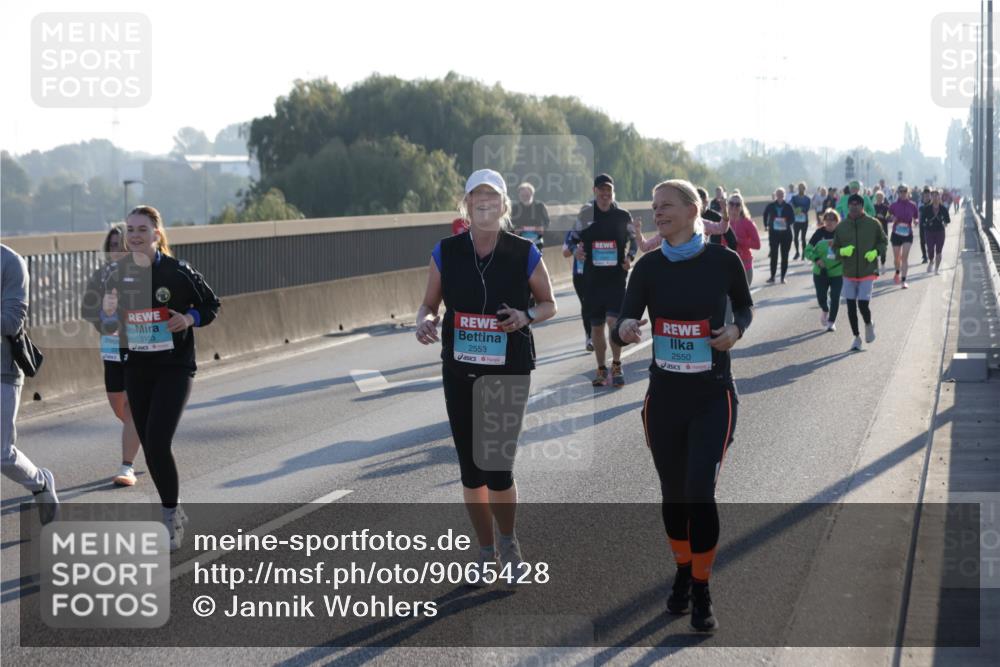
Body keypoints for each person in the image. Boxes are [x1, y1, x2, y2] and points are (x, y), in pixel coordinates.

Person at [612, 179, 753, 633]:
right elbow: (625, 318)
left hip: (712, 396)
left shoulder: (724, 260)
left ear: (694, 209)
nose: (658, 213)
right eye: (654, 207)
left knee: (699, 492)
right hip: (665, 399)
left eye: (667, 205)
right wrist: (629, 327)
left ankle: (702, 588)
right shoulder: (649, 268)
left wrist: (736, 332)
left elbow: (745, 309)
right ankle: (682, 570)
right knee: (673, 495)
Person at [415, 169, 556, 584]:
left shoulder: (523, 251)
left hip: (508, 367)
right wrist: (424, 322)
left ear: (503, 205)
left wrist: (525, 315)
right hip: (459, 370)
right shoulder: (445, 251)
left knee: (496, 466)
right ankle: (484, 550)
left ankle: (509, 544)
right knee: (471, 469)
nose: (484, 202)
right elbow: (427, 305)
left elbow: (548, 304)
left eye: (492, 196)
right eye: (477, 195)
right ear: (466, 203)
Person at [99, 205, 220, 550]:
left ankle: (169, 515)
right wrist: (109, 311)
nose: (134, 235)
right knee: (150, 446)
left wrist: (190, 318)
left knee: (157, 442)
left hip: (175, 367)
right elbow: (112, 322)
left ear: (157, 234)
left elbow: (212, 304)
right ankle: (174, 506)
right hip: (138, 367)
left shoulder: (178, 271)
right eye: (130, 230)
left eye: (142, 229)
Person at [2, 244, 59, 524]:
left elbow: (12, 322)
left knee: (1, 454)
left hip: (2, 371)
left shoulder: (11, 263)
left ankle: (40, 483)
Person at [81, 224, 142, 486]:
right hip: (111, 347)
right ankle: (141, 431)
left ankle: (126, 464)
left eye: (122, 245)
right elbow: (88, 309)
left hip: (139, 346)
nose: (117, 250)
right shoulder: (101, 275)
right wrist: (105, 322)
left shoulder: (141, 272)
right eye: (113, 245)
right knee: (118, 404)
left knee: (133, 408)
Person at [568, 174, 638, 388]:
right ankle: (601, 368)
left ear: (612, 192)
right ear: (594, 191)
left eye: (609, 190)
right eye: (601, 190)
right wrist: (575, 251)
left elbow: (633, 242)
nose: (605, 194)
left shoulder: (623, 216)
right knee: (596, 327)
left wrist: (630, 258)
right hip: (592, 281)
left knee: (613, 322)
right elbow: (572, 239)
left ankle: (616, 365)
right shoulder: (585, 215)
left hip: (616, 279)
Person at [833, 194, 887, 351]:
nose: (854, 207)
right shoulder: (842, 226)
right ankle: (856, 338)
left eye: (857, 205)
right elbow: (834, 249)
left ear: (863, 206)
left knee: (863, 304)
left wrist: (875, 252)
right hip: (849, 272)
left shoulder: (873, 224)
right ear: (848, 207)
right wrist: (842, 251)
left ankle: (869, 324)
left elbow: (883, 241)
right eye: (852, 205)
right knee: (850, 307)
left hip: (867, 270)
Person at [804, 209, 843, 331]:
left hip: (837, 271)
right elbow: (807, 251)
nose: (830, 222)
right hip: (820, 272)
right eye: (827, 219)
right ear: (823, 220)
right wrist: (816, 259)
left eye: (833, 219)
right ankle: (825, 309)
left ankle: (831, 322)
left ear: (837, 221)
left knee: (835, 297)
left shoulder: (842, 233)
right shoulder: (819, 233)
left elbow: (851, 249)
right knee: (821, 298)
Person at [563, 229, 592, 351]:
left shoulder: (599, 228)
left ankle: (598, 334)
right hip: (579, 275)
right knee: (586, 306)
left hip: (598, 274)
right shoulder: (573, 232)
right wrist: (575, 249)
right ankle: (589, 337)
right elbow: (565, 253)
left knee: (598, 306)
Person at [887, 185, 920, 288]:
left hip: (907, 233)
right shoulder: (893, 205)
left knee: (904, 258)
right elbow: (887, 217)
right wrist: (892, 217)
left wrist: (916, 221)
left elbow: (916, 217)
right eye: (901, 191)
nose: (903, 193)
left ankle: (903, 281)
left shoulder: (913, 205)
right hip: (896, 233)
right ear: (898, 193)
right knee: (897, 258)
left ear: (908, 192)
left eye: (905, 191)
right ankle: (897, 272)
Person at [727, 193, 761, 285]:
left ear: (741, 207)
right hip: (726, 266)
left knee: (742, 299)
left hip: (744, 266)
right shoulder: (723, 222)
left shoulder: (747, 223)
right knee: (726, 299)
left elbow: (757, 245)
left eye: (737, 204)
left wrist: (739, 240)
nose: (734, 206)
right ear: (728, 204)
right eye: (731, 203)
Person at [762, 187, 794, 283]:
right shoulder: (771, 205)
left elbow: (793, 219)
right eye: (778, 194)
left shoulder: (788, 206)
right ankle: (772, 277)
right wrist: (766, 225)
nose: (780, 196)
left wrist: (785, 223)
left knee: (784, 256)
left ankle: (782, 277)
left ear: (784, 195)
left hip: (786, 234)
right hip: (774, 234)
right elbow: (765, 214)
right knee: (774, 256)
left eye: (782, 194)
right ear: (776, 195)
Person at [510, 182, 550, 251]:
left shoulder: (539, 206)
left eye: (527, 195)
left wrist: (542, 229)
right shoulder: (515, 208)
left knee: (536, 260)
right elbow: (510, 224)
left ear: (532, 194)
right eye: (522, 195)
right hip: (520, 241)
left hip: (537, 241)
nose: (525, 197)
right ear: (519, 195)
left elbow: (547, 222)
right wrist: (514, 230)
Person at [920, 189, 951, 275]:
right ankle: (931, 261)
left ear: (939, 196)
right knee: (930, 249)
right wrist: (925, 225)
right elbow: (922, 220)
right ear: (931, 197)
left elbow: (948, 219)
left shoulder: (943, 208)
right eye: (933, 195)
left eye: (936, 195)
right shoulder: (927, 209)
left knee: (939, 251)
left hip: (940, 231)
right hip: (929, 232)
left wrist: (945, 222)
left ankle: (936, 269)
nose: (935, 197)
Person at [790, 182, 812, 260]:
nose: (801, 189)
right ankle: (797, 252)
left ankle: (804, 253)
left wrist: (799, 209)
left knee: (803, 238)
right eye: (799, 187)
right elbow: (791, 205)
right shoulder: (794, 197)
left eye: (802, 187)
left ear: (805, 188)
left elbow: (807, 208)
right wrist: (795, 209)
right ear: (797, 188)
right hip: (796, 220)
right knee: (795, 237)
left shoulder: (807, 199)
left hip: (804, 220)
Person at [872, 191, 890, 266]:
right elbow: (870, 216)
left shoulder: (886, 207)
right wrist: (876, 216)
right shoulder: (873, 207)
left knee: (883, 245)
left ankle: (883, 262)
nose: (879, 198)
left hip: (884, 228)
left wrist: (883, 217)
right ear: (875, 198)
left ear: (883, 198)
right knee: (874, 246)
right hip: (874, 229)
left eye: (880, 197)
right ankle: (875, 264)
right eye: (878, 197)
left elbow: (889, 218)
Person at [918, 187, 932, 263]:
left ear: (930, 196)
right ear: (923, 196)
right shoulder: (921, 204)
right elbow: (919, 215)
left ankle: (930, 254)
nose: (926, 197)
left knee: (930, 242)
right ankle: (924, 256)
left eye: (928, 196)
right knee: (922, 241)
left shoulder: (932, 204)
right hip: (922, 226)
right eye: (925, 196)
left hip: (931, 226)